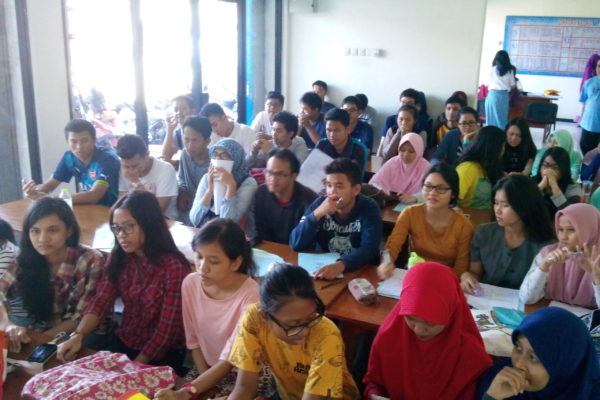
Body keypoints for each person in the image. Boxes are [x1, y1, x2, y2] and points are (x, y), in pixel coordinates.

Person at [57, 191, 190, 374]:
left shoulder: (174, 267)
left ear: (148, 224)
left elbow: (167, 330)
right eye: (116, 228)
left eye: (128, 227)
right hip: (126, 340)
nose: (121, 235)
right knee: (77, 371)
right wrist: (78, 334)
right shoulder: (120, 256)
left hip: (162, 353)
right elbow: (102, 299)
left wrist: (133, 367)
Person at [154, 219, 261, 400]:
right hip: (205, 367)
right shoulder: (191, 283)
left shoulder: (251, 296)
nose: (202, 267)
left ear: (235, 263)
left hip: (244, 374)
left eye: (214, 261)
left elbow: (230, 357)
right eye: (199, 256)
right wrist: (201, 385)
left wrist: (188, 392)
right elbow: (193, 341)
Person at [228, 263, 359, 400]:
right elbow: (244, 388)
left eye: (311, 318)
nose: (304, 332)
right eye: (293, 325)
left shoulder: (327, 335)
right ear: (264, 316)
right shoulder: (254, 319)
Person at [364, 262, 492, 400]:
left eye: (430, 324)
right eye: (410, 318)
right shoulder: (390, 336)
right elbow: (375, 382)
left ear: (450, 315)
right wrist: (375, 395)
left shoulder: (469, 353)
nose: (419, 330)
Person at [0, 198, 104, 352]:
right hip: (42, 329)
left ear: (69, 231)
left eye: (53, 230)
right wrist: (7, 325)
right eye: (35, 231)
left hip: (83, 334)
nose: (43, 239)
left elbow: (81, 316)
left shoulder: (91, 260)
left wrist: (39, 341)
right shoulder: (26, 258)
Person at [478, 307, 600, 400]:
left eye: (533, 357)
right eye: (518, 347)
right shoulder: (499, 380)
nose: (519, 364)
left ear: (565, 365)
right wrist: (491, 397)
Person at [289, 158, 382, 280]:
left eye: (339, 186)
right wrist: (317, 214)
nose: (332, 192)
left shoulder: (369, 208)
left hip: (357, 272)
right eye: (329, 185)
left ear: (356, 190)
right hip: (323, 271)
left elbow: (370, 249)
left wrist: (342, 264)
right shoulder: (320, 204)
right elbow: (295, 243)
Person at [377, 163, 474, 278]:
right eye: (428, 186)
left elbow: (461, 268)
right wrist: (386, 263)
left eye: (441, 188)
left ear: (453, 194)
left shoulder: (463, 225)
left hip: (446, 278)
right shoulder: (410, 213)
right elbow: (392, 246)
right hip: (417, 273)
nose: (432, 193)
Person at [461, 175, 555, 292]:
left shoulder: (545, 244)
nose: (498, 210)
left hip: (525, 301)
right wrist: (467, 277)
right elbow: (475, 273)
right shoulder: (484, 233)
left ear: (524, 206)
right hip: (486, 298)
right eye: (496, 203)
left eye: (505, 205)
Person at [22, 119, 120, 207]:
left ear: (94, 140)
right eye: (73, 141)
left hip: (111, 211)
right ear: (67, 142)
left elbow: (94, 196)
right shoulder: (69, 158)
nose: (79, 146)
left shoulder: (107, 159)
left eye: (84, 141)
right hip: (88, 210)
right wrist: (34, 192)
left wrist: (52, 199)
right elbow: (49, 186)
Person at [519, 203, 600, 309]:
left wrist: (596, 276)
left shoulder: (597, 259)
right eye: (560, 229)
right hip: (550, 313)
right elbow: (527, 298)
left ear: (590, 230)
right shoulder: (549, 253)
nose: (563, 237)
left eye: (571, 229)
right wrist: (544, 266)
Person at [189, 138, 257, 235]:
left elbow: (228, 222)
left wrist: (231, 186)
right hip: (206, 234)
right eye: (215, 155)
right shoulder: (207, 178)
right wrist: (209, 191)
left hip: (233, 237)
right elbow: (194, 219)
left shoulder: (248, 183)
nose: (217, 159)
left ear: (236, 159)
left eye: (224, 155)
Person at [253, 150, 317, 244]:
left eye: (279, 174)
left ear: (293, 176)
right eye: (269, 172)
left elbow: (305, 239)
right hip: (268, 248)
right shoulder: (261, 193)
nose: (272, 179)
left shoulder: (309, 201)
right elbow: (261, 230)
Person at [116, 134, 179, 220]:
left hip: (164, 220)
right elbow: (121, 204)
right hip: (133, 218)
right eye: (126, 166)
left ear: (147, 155)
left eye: (135, 166)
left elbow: (156, 212)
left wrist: (136, 182)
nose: (130, 170)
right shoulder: (122, 168)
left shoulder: (165, 169)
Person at [369, 133, 431, 204]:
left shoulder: (426, 167)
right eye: (402, 150)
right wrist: (383, 191)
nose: (406, 154)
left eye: (411, 151)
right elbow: (373, 182)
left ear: (419, 152)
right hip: (390, 203)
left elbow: (432, 192)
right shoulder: (393, 162)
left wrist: (414, 198)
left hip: (415, 206)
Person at [456, 125, 506, 210]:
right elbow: (451, 202)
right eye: (503, 145)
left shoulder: (491, 167)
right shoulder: (468, 169)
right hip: (470, 216)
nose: (504, 150)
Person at [177, 116, 211, 224]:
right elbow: (181, 177)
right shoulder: (184, 154)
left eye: (195, 140)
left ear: (207, 141)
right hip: (186, 211)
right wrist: (183, 191)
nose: (190, 146)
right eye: (186, 139)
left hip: (206, 214)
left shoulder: (214, 162)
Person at [316, 108, 369, 178]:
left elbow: (357, 180)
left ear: (348, 129)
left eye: (337, 130)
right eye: (328, 130)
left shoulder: (359, 149)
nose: (332, 135)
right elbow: (313, 171)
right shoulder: (321, 144)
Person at [534, 147, 582, 218]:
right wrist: (541, 186)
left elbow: (569, 214)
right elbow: (523, 205)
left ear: (564, 170)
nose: (549, 170)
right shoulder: (531, 181)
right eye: (545, 165)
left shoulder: (572, 186)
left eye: (555, 167)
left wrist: (553, 184)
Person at [485, 50, 516, 129]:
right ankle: (502, 135)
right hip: (503, 96)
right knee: (502, 120)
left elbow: (486, 84)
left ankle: (490, 135)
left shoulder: (491, 69)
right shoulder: (510, 70)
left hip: (491, 96)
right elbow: (513, 86)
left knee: (490, 120)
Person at [161, 95, 197, 162]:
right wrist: (170, 129)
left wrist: (177, 163)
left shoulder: (205, 129)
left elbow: (212, 154)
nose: (179, 112)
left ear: (193, 111)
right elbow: (164, 157)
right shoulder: (179, 134)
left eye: (183, 108)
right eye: (176, 110)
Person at [578, 54, 600, 155]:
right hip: (588, 124)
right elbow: (583, 102)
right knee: (585, 149)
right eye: (599, 66)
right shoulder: (589, 83)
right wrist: (580, 118)